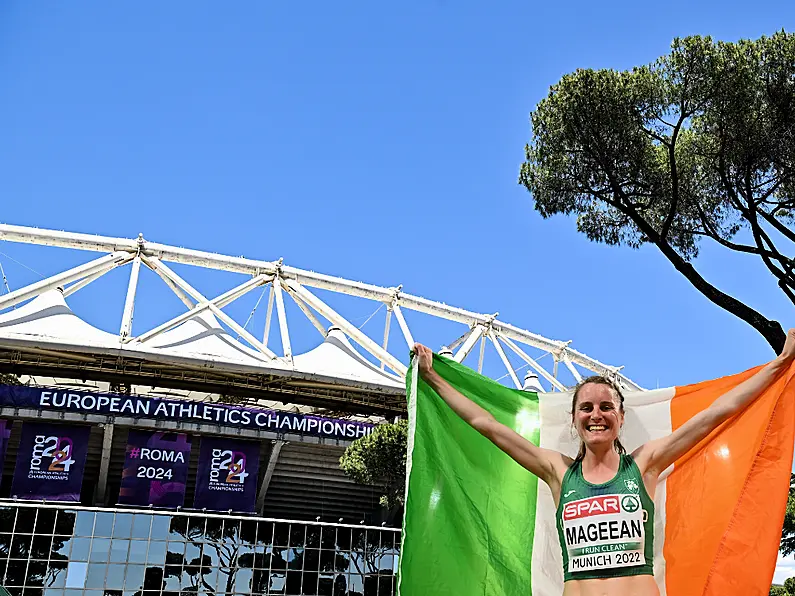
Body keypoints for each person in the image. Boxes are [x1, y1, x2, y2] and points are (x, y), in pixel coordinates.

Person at [413, 328, 795, 596]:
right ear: (575, 418)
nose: (597, 414)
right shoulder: (557, 471)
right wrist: (432, 377)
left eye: (606, 407)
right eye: (587, 407)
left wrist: (781, 364)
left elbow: (717, 413)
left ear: (621, 418)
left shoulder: (645, 464)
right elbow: (489, 425)